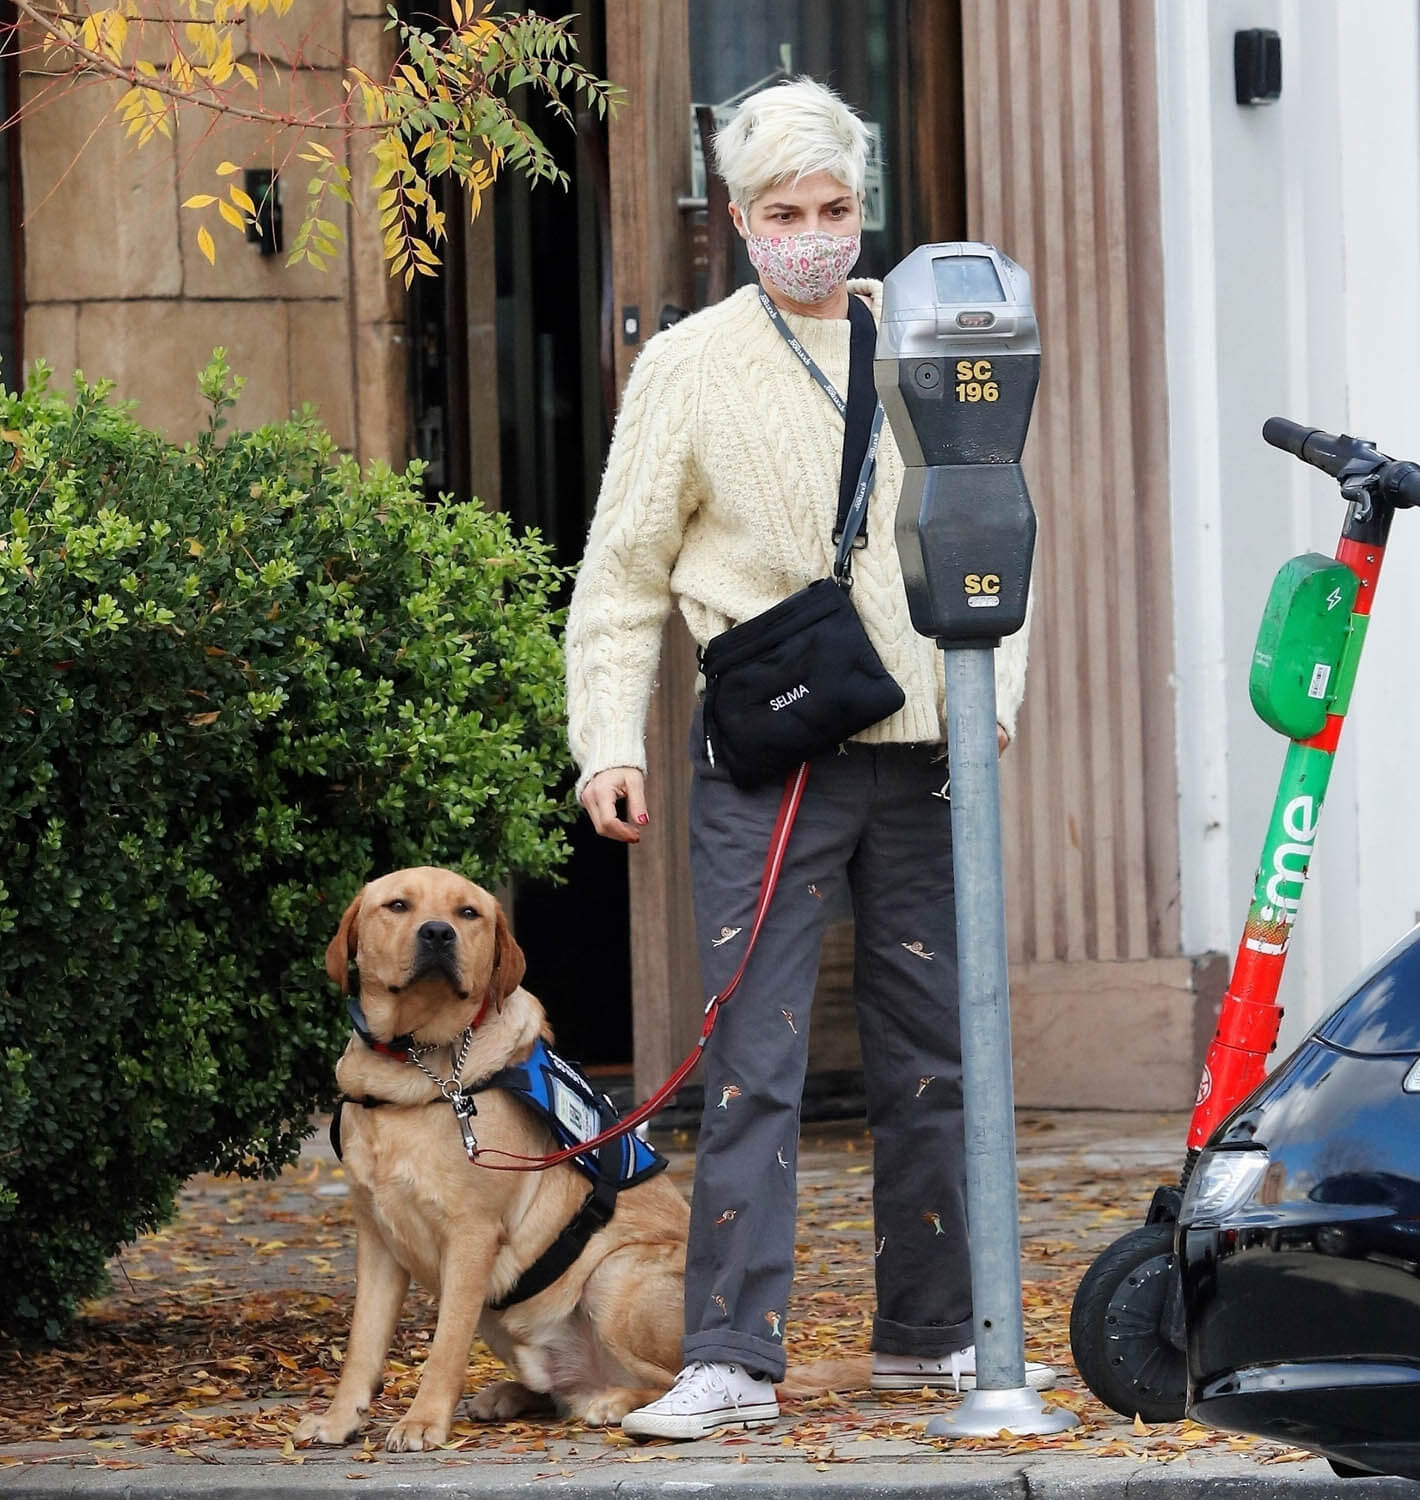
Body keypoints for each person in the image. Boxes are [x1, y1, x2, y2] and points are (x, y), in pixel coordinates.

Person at [564, 76, 1046, 1442]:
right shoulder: (689, 366)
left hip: (927, 755)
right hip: (771, 763)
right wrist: (608, 740)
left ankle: (935, 1337)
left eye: (837, 208)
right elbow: (620, 578)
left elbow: (1002, 520)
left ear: (865, 209)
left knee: (937, 1059)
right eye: (786, 211)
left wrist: (992, 695)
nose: (816, 233)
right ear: (736, 216)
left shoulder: (933, 332)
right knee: (756, 1059)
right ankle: (728, 1356)